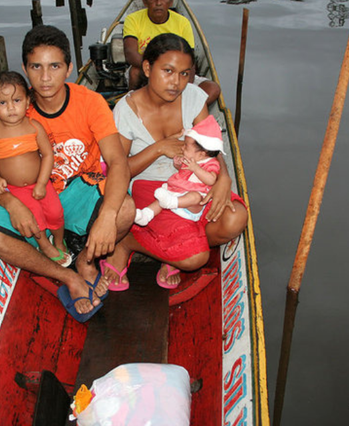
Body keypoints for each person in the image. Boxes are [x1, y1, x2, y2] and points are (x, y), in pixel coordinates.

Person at [0, 25, 135, 322]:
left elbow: (117, 162)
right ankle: (68, 276)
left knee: (125, 209)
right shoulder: (15, 109)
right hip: (33, 194)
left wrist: (108, 216)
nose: (45, 78)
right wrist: (12, 204)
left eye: (55, 66)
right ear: (25, 68)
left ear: (70, 69)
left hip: (80, 189)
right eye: (36, 67)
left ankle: (87, 260)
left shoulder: (90, 102)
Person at [100, 33, 247, 290]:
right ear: (147, 68)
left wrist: (224, 178)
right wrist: (158, 149)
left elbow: (211, 147)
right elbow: (118, 170)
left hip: (194, 179)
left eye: (184, 73)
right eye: (167, 71)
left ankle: (173, 244)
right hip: (151, 186)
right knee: (195, 258)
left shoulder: (192, 97)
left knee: (236, 219)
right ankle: (127, 242)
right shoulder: (126, 109)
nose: (176, 82)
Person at [0, 71, 71, 267]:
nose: (11, 108)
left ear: (28, 102)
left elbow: (47, 155)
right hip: (16, 189)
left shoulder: (34, 127)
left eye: (17, 100)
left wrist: (43, 183)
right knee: (34, 217)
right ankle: (44, 245)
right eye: (2, 103)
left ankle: (59, 240)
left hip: (40, 183)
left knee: (56, 212)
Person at [123, 0, 221, 105]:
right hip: (148, 70)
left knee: (213, 89)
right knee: (135, 72)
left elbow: (190, 62)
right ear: (145, 1)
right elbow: (131, 54)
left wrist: (184, 85)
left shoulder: (182, 23)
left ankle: (181, 109)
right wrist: (160, 71)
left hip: (179, 72)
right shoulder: (133, 19)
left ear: (171, 1)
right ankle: (137, 107)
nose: (158, 3)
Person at [134, 115, 224, 227]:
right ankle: (146, 214)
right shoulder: (192, 159)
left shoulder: (211, 163)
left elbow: (211, 180)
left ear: (201, 154)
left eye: (186, 147)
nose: (182, 148)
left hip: (193, 206)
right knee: (161, 197)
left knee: (195, 197)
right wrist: (178, 166)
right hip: (179, 192)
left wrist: (196, 168)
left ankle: (172, 202)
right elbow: (185, 173)